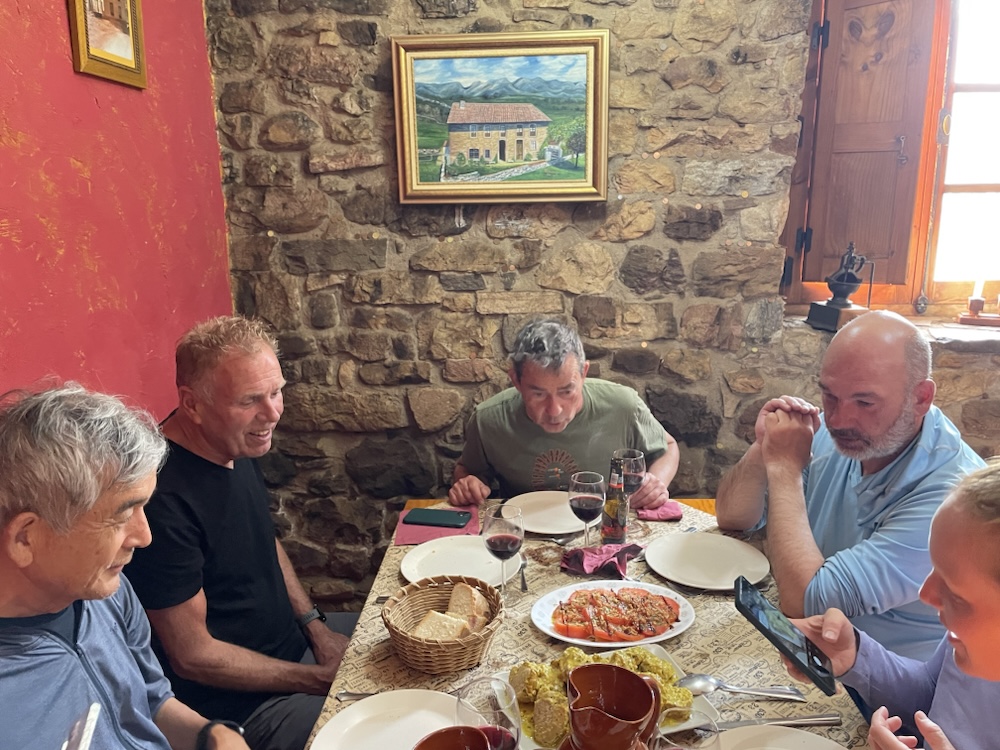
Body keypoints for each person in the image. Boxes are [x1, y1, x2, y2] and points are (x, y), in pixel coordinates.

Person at [126, 317, 354, 750]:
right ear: (193, 404)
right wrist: (317, 679)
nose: (272, 413)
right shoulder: (160, 498)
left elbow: (263, 537)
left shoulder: (233, 439)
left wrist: (316, 627)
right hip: (241, 709)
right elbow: (193, 656)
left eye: (276, 392)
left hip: (294, 650)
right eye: (250, 400)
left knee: (406, 648)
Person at [716, 310, 985, 660]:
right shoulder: (844, 435)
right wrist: (764, 447)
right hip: (816, 652)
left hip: (887, 685)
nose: (838, 420)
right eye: (829, 396)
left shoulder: (953, 499)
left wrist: (784, 468)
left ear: (921, 398)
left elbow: (806, 603)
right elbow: (734, 518)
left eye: (864, 402)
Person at [0, 383, 249, 750]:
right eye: (121, 516)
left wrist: (211, 735)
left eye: (142, 508)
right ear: (26, 538)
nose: (144, 537)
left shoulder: (106, 590)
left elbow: (149, 701)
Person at [790, 461, 1000, 750]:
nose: (926, 594)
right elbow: (931, 695)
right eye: (934, 568)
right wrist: (856, 656)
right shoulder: (969, 640)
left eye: (955, 594)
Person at [448, 319, 679, 509]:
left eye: (566, 391)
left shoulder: (624, 405)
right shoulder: (488, 419)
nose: (554, 410)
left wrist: (655, 484)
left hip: (604, 528)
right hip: (523, 530)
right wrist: (468, 485)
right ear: (516, 381)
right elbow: (467, 470)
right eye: (538, 394)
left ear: (584, 373)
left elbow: (668, 447)